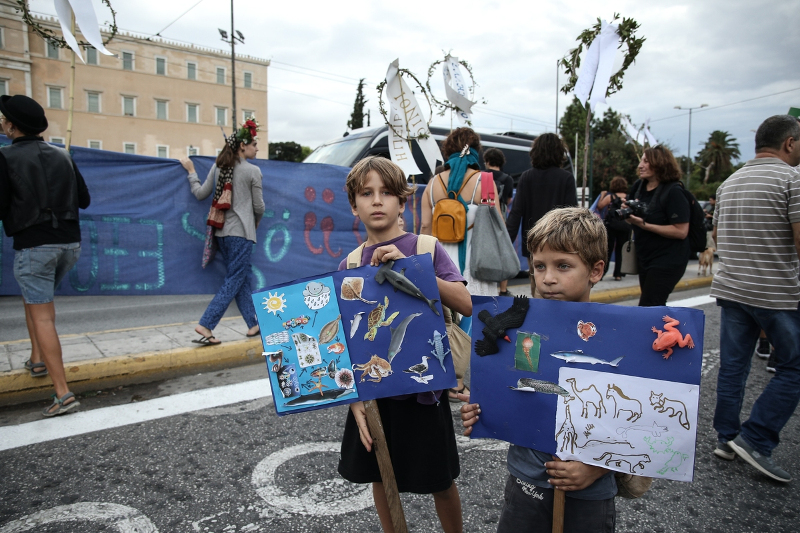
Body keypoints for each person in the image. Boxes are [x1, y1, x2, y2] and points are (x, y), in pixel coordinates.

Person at [460, 208, 615, 532]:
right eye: (539, 266)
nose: (547, 278)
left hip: (589, 490)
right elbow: (514, 386)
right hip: (525, 479)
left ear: (596, 270)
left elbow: (636, 424)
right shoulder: (525, 331)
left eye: (563, 266)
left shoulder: (616, 335)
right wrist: (482, 412)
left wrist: (595, 469)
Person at [339, 156, 472, 533]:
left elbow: (464, 303)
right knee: (382, 477)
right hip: (374, 394)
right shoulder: (349, 265)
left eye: (386, 193)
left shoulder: (425, 247)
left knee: (440, 481)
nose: (376, 201)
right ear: (355, 205)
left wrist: (413, 268)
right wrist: (353, 402)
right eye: (367, 193)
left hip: (423, 391)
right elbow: (339, 344)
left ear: (403, 202)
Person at [710, 114, 800, 483]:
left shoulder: (730, 182)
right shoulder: (792, 179)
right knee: (794, 365)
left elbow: (716, 233)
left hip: (731, 288)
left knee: (734, 367)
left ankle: (726, 437)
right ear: (789, 143)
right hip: (776, 292)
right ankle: (758, 438)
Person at [0, 95, 90, 416]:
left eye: (3, 119)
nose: (1, 122)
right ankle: (37, 359)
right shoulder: (62, 155)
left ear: (12, 127)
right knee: (35, 300)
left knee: (42, 314)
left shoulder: (5, 157)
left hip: (34, 245)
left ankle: (63, 393)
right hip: (70, 244)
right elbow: (85, 200)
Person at [180, 118, 264, 345]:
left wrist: (191, 171)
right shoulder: (252, 171)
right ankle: (206, 324)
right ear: (242, 146)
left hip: (221, 235)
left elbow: (199, 193)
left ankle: (253, 324)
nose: (257, 148)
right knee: (235, 278)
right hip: (241, 234)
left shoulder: (219, 167)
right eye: (254, 143)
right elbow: (259, 207)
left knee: (240, 277)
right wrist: (255, 224)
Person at [421, 126, 502, 298]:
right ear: (476, 150)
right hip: (477, 265)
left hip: (440, 266)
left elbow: (425, 226)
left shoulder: (433, 183)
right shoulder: (485, 182)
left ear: (448, 151)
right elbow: (497, 226)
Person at [506, 133, 577, 297]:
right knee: (559, 286)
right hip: (560, 243)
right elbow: (572, 215)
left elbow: (516, 212)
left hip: (534, 244)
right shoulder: (566, 178)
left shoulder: (526, 177)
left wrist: (506, 242)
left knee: (537, 286)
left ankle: (539, 317)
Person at [624, 145, 690, 306]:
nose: (640, 166)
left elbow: (681, 231)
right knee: (654, 305)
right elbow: (630, 217)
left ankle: (655, 331)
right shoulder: (638, 187)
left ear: (659, 163)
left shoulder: (673, 191)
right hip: (645, 256)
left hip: (668, 258)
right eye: (641, 161)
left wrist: (644, 225)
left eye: (646, 161)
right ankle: (661, 331)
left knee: (649, 305)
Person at [597, 176, 632, 281]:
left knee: (607, 249)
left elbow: (600, 206)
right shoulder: (628, 197)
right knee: (621, 250)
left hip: (611, 226)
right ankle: (618, 274)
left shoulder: (611, 197)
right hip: (625, 225)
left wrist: (602, 194)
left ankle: (603, 273)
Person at [483, 147, 514, 217]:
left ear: (488, 162)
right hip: (499, 215)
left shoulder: (480, 176)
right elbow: (509, 199)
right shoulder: (508, 179)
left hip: (483, 214)